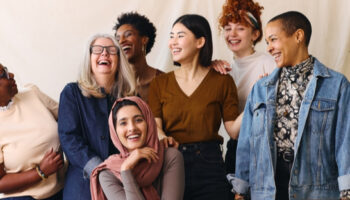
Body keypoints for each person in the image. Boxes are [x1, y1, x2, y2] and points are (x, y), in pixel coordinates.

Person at [228, 11, 350, 200]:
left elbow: (345, 140)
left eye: (273, 40)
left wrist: (346, 189)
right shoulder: (261, 88)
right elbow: (247, 143)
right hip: (268, 188)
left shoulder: (336, 84)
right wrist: (240, 190)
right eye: (267, 42)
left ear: (298, 36)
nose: (269, 48)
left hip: (317, 189)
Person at [148, 14, 239, 200]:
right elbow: (155, 126)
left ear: (200, 42)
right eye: (171, 36)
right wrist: (163, 137)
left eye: (180, 36)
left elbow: (234, 131)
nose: (172, 42)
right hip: (171, 163)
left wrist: (256, 99)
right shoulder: (160, 83)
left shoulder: (223, 81)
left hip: (210, 165)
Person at [58, 34, 136, 200]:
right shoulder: (72, 93)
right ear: (89, 58)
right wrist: (98, 168)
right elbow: (69, 138)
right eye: (98, 50)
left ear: (119, 59)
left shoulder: (130, 98)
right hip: (83, 184)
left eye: (111, 50)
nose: (104, 54)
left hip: (124, 181)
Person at [217, 0, 276, 174]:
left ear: (255, 34)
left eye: (240, 28)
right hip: (236, 147)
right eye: (228, 28)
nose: (232, 34)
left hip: (266, 148)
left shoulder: (270, 63)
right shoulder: (223, 69)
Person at [90, 96, 185, 200]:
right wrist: (126, 169)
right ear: (114, 131)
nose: (132, 128)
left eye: (138, 120)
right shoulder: (107, 174)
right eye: (123, 123)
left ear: (149, 122)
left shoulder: (170, 157)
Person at [0, 63, 66, 199]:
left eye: (6, 70)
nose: (11, 75)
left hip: (62, 189)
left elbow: (69, 121)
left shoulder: (32, 94)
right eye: (4, 75)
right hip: (22, 197)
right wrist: (40, 172)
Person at [114, 12, 163, 102]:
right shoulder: (113, 83)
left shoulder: (164, 81)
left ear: (144, 40)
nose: (121, 41)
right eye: (117, 39)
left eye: (128, 34)